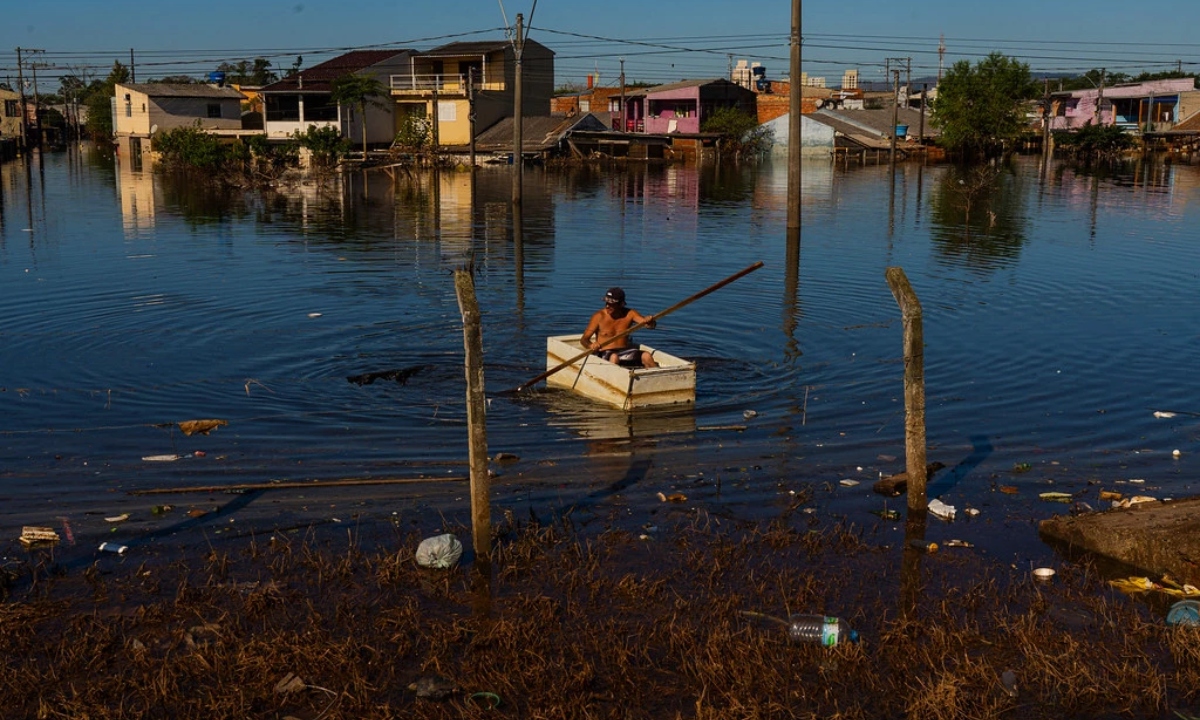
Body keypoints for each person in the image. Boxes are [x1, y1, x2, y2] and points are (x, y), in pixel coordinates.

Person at [580, 287, 659, 368]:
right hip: (605, 352)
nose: (607, 306)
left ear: (621, 304)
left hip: (624, 352)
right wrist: (591, 345)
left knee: (647, 356)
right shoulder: (599, 316)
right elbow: (584, 340)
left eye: (611, 304)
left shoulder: (630, 314)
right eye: (606, 303)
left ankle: (658, 375)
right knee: (614, 357)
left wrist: (650, 321)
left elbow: (649, 326)